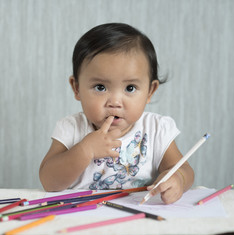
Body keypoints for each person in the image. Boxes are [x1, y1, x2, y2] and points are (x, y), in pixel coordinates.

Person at [39, 23, 194, 204]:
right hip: (83, 217)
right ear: (77, 88)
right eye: (100, 87)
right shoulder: (72, 128)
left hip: (138, 217)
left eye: (130, 88)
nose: (115, 102)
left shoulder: (156, 129)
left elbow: (185, 170)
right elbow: (48, 180)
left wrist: (177, 179)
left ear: (150, 91)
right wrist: (85, 150)